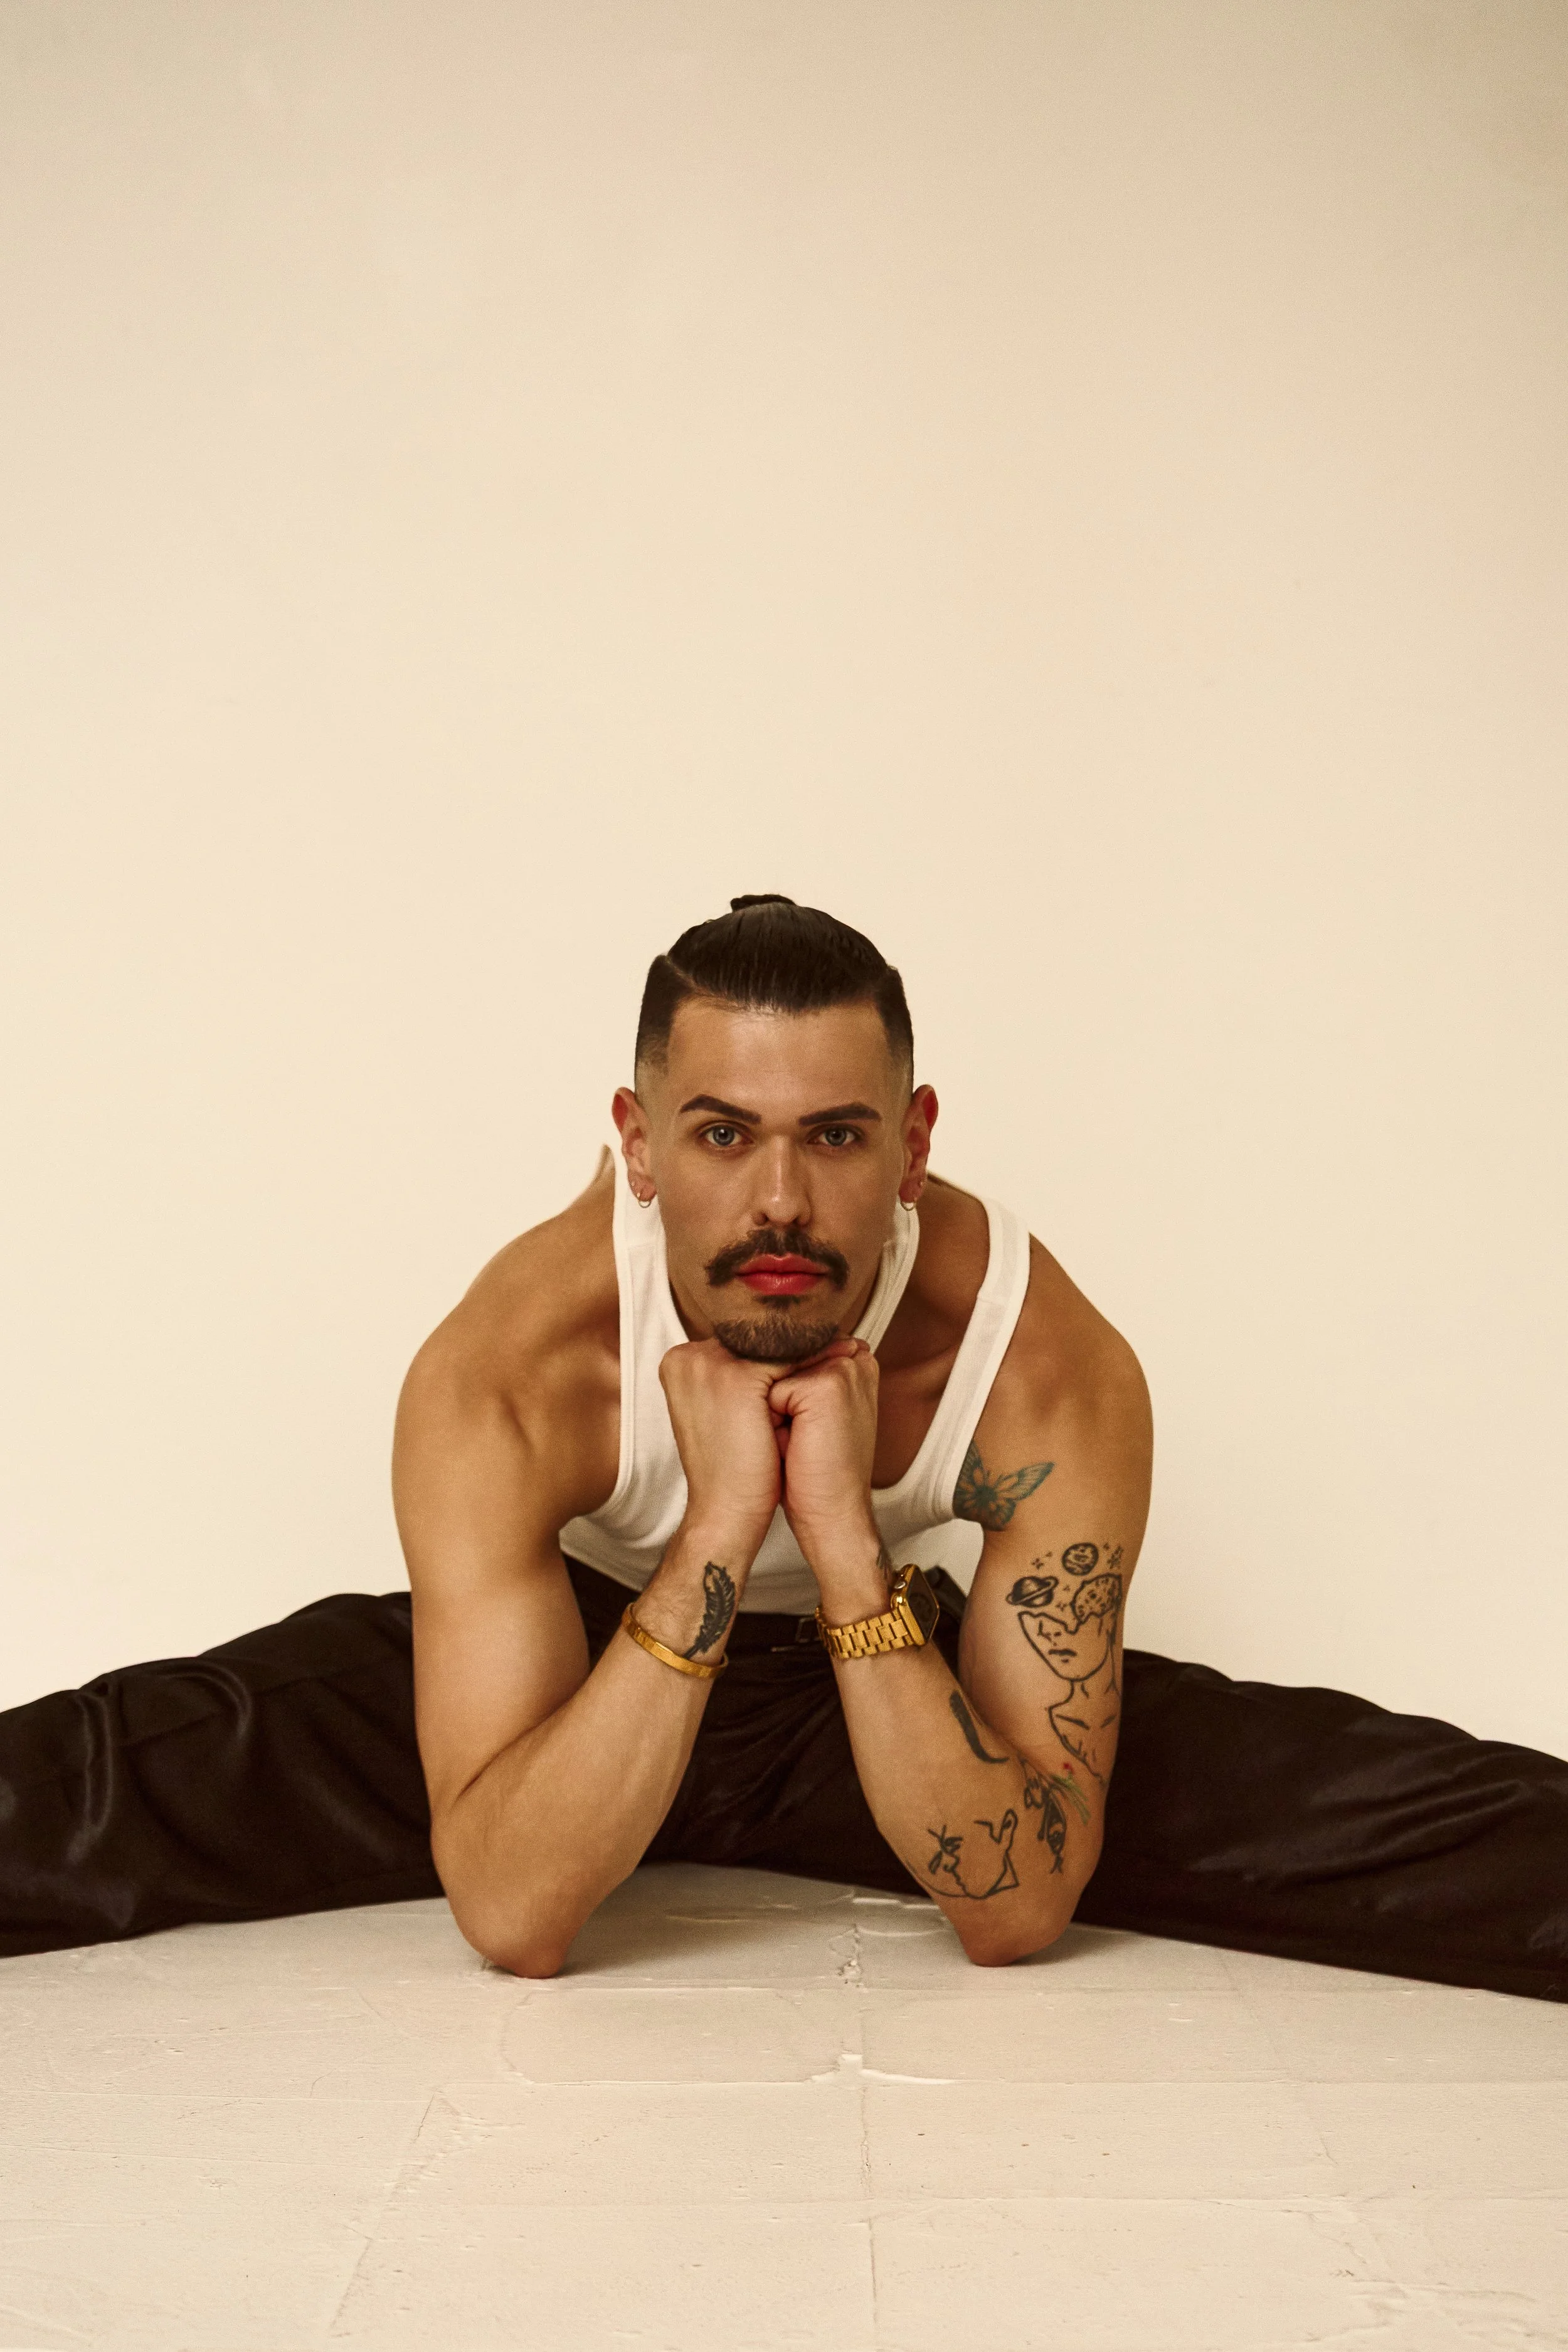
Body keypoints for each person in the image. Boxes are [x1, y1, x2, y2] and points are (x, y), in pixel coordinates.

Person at [3, 898, 1565, 2000]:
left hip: (881, 1685)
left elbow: (1015, 1908)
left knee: (1394, 1815)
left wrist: (836, 1541)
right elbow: (514, 1912)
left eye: (832, 1136)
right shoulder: (510, 1375)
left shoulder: (1039, 1368)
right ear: (633, 1142)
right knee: (98, 1787)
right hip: (566, 1687)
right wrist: (707, 1536)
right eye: (719, 1133)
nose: (775, 1205)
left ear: (914, 1139)